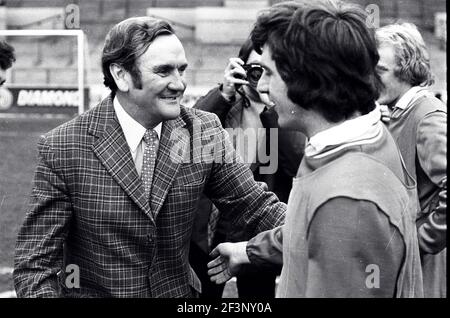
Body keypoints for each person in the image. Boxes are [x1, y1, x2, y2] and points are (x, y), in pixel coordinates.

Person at [13, 16, 286, 298]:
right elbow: (36, 266)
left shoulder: (203, 131)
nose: (179, 84)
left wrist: (315, 220)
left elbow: (256, 208)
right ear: (121, 75)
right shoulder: (64, 146)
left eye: (182, 70)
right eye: (164, 71)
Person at [207, 0, 424, 297]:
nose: (263, 86)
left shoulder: (348, 200)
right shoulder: (354, 143)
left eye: (269, 72)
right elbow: (313, 231)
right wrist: (250, 250)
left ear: (307, 78)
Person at [190, 38, 305, 298]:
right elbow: (190, 136)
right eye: (256, 68)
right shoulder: (224, 102)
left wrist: (273, 105)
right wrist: (224, 93)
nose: (261, 77)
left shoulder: (288, 111)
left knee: (258, 299)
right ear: (241, 67)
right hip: (212, 226)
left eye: (270, 70)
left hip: (258, 230)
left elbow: (296, 161)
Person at [375, 23, 447, 298]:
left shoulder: (427, 116)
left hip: (423, 272)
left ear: (407, 69)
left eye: (380, 70)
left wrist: (419, 241)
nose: (370, 79)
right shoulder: (395, 112)